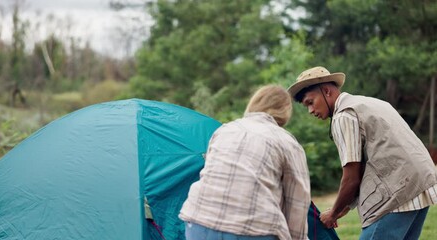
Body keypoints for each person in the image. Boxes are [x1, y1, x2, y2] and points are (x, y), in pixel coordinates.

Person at [288, 66, 437, 239]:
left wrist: (333, 214)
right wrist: (343, 208)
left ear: (327, 91)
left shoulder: (344, 115)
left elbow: (351, 178)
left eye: (310, 102)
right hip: (422, 184)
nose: (310, 111)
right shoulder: (371, 102)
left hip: (398, 192)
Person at [179, 85, 311, 240]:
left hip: (198, 220)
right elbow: (298, 202)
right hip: (253, 228)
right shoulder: (287, 142)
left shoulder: (224, 130)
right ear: (285, 110)